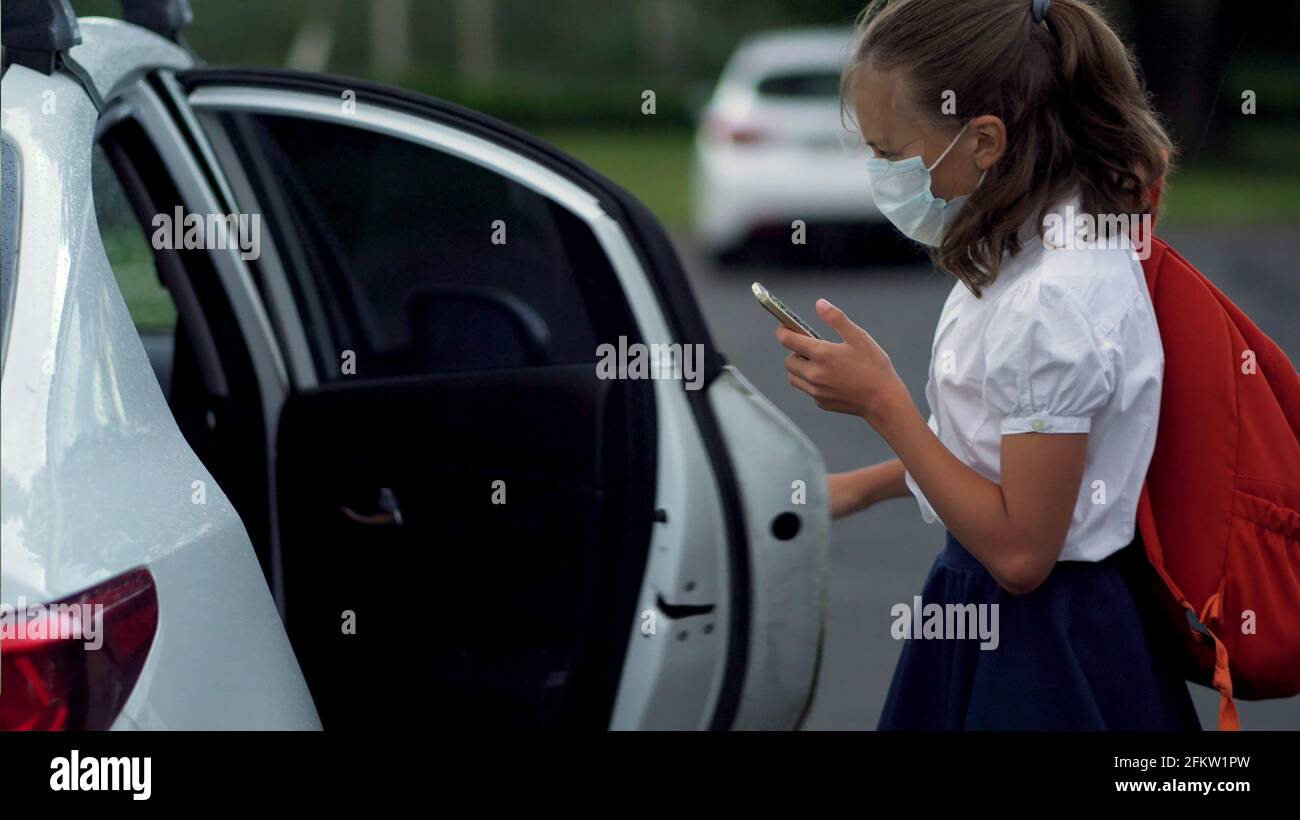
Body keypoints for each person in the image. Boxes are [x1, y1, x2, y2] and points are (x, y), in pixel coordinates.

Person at [776, 0, 1200, 729]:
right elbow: (1006, 460)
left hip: (1039, 651)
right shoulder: (1029, 248)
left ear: (983, 141)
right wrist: (860, 488)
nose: (879, 175)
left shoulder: (1053, 300)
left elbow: (1023, 551)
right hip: (1016, 621)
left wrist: (885, 404)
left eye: (889, 153)